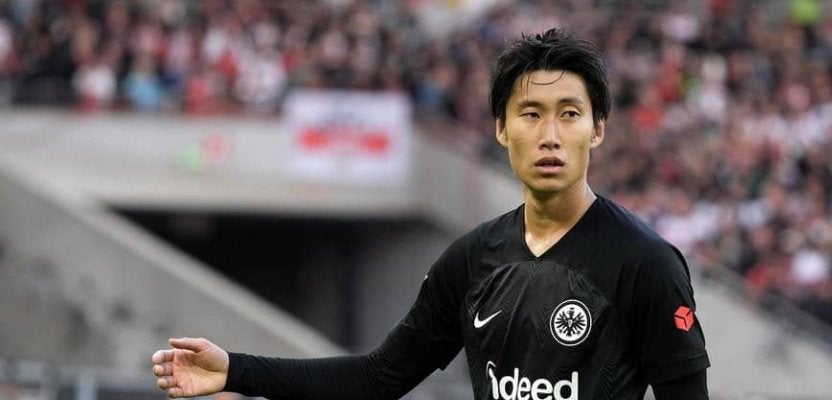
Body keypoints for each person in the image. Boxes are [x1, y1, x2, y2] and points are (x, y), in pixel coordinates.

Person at [151, 28, 710, 400]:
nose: (550, 135)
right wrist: (236, 370)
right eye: (531, 114)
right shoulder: (473, 259)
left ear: (598, 129)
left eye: (569, 114)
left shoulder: (644, 262)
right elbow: (377, 379)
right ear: (501, 129)